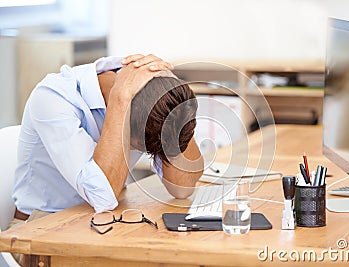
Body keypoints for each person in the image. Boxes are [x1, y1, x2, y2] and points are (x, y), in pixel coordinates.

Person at [10, 54, 204, 224]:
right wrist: (119, 100)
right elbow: (102, 197)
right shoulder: (53, 97)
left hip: (102, 218)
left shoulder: (147, 95)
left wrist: (175, 108)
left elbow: (182, 189)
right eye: (136, 147)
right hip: (41, 226)